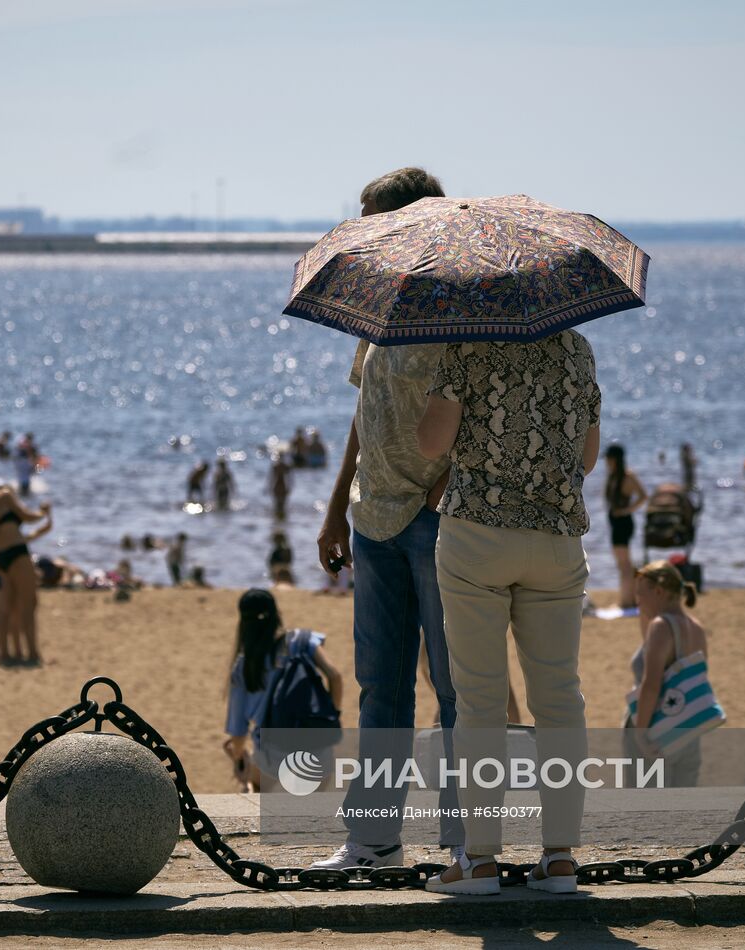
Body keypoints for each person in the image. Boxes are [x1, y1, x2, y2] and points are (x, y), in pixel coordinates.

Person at [311, 167, 463, 874]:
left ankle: (468, 846)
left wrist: (446, 487)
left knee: (457, 689)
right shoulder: (381, 301)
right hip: (373, 520)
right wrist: (337, 503)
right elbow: (361, 413)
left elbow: (484, 405)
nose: (362, 228)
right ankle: (373, 842)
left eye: (370, 217)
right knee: (381, 686)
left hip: (437, 522)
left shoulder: (462, 303)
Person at [416, 321, 601, 895]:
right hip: (557, 539)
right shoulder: (577, 347)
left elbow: (430, 443)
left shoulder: (466, 344)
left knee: (479, 700)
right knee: (559, 698)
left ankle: (479, 860)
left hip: (478, 536)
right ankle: (561, 858)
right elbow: (588, 456)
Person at [222, 589, 343, 792]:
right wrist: (331, 716)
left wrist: (239, 758)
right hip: (317, 751)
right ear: (276, 614)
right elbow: (335, 676)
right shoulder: (301, 641)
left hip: (272, 756)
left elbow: (238, 732)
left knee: (253, 785)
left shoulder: (243, 666)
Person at [626, 561, 709, 787]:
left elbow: (651, 685)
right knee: (681, 812)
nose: (637, 601)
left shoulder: (661, 627)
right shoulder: (696, 627)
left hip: (655, 730)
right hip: (688, 731)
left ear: (659, 591)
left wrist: (641, 734)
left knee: (646, 813)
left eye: (641, 594)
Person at [0, 477, 51, 665]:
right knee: (29, 604)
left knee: (5, 610)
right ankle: (33, 653)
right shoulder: (5, 494)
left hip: (1, 556)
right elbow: (26, 516)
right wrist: (42, 513)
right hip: (17, 552)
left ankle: (4, 654)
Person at [604, 445, 646, 609]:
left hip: (623, 523)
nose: (607, 462)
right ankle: (628, 599)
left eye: (608, 458)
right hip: (615, 523)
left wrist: (627, 510)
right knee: (623, 564)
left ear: (615, 459)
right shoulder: (613, 476)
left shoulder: (628, 476)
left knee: (625, 565)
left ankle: (627, 601)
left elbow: (643, 496)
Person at [269, 455, 291, 521]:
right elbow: (290, 478)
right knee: (282, 505)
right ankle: (281, 520)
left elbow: (271, 478)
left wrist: (270, 487)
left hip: (277, 486)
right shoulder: (285, 466)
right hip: (283, 486)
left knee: (277, 504)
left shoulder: (276, 466)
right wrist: (289, 487)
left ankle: (277, 520)